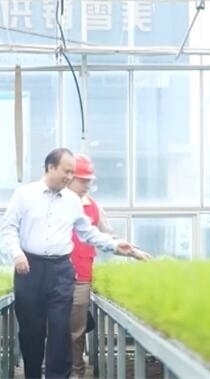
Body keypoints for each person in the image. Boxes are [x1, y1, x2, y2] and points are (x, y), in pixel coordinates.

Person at [1, 147, 141, 379]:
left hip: (61, 271)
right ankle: (32, 374)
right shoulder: (24, 194)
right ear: (50, 167)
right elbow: (9, 227)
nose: (70, 177)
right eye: (66, 171)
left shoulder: (72, 201)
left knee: (60, 330)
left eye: (72, 172)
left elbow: (88, 233)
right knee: (31, 331)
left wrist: (116, 245)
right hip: (29, 269)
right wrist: (17, 254)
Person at [66, 154, 150, 378]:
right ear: (69, 177)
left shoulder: (94, 207)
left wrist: (133, 251)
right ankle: (55, 368)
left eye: (89, 180)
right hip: (51, 276)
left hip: (81, 276)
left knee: (76, 329)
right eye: (83, 180)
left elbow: (109, 237)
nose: (87, 185)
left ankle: (76, 371)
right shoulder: (53, 202)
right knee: (52, 327)